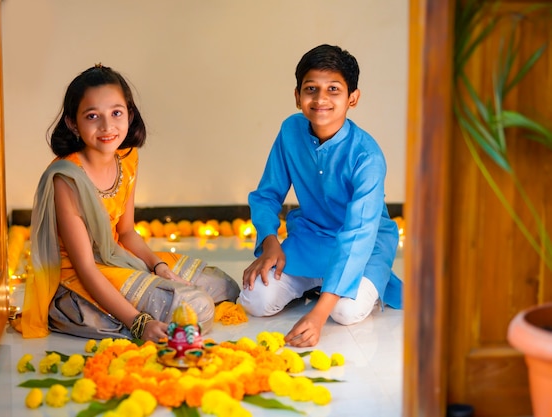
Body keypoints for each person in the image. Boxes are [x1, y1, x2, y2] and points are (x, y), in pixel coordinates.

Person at [20, 64, 240, 342]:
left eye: (116, 113)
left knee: (224, 286)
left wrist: (160, 267)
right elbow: (86, 267)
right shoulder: (67, 179)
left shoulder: (127, 156)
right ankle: (82, 313)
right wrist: (139, 323)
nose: (107, 126)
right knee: (197, 307)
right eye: (92, 116)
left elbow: (126, 233)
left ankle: (155, 299)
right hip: (81, 275)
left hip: (119, 257)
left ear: (129, 114)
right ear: (72, 123)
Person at [238, 45, 402, 347]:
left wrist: (318, 316)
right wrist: (270, 243)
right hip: (311, 237)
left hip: (365, 244)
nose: (321, 99)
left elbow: (358, 234)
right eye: (311, 89)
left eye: (334, 89)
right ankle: (320, 282)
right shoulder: (290, 131)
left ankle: (350, 283)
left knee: (345, 311)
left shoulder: (367, 156)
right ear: (297, 96)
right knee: (254, 300)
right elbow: (266, 194)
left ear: (353, 98)